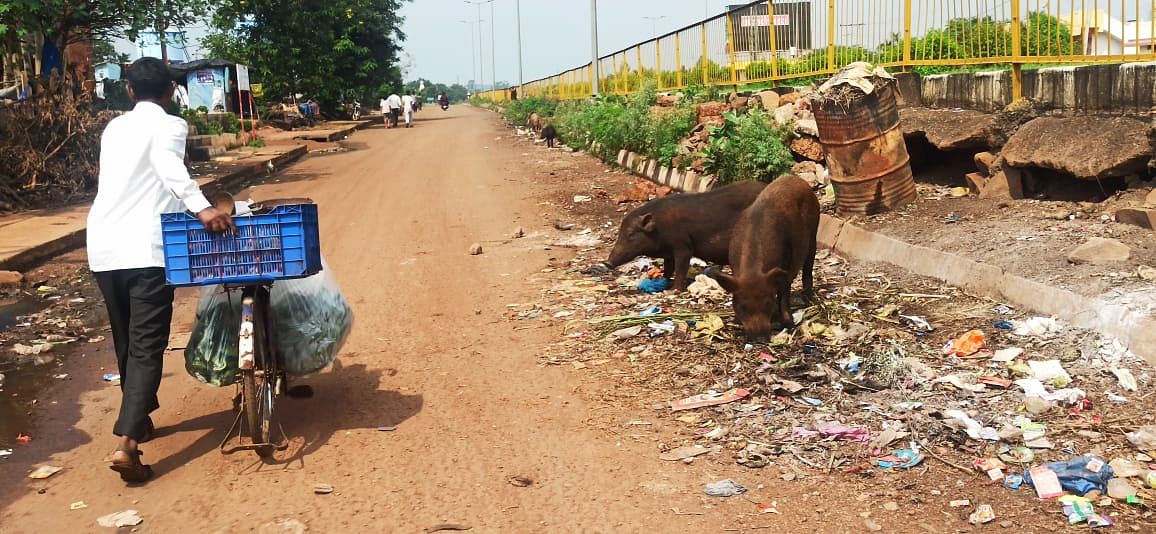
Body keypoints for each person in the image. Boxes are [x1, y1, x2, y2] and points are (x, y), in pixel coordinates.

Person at [87, 57, 235, 483]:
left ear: (129, 92)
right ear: (172, 91)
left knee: (125, 338)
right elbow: (172, 172)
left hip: (104, 245)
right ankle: (128, 444)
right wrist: (204, 210)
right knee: (147, 345)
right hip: (146, 249)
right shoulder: (171, 125)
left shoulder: (114, 128)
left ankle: (140, 418)